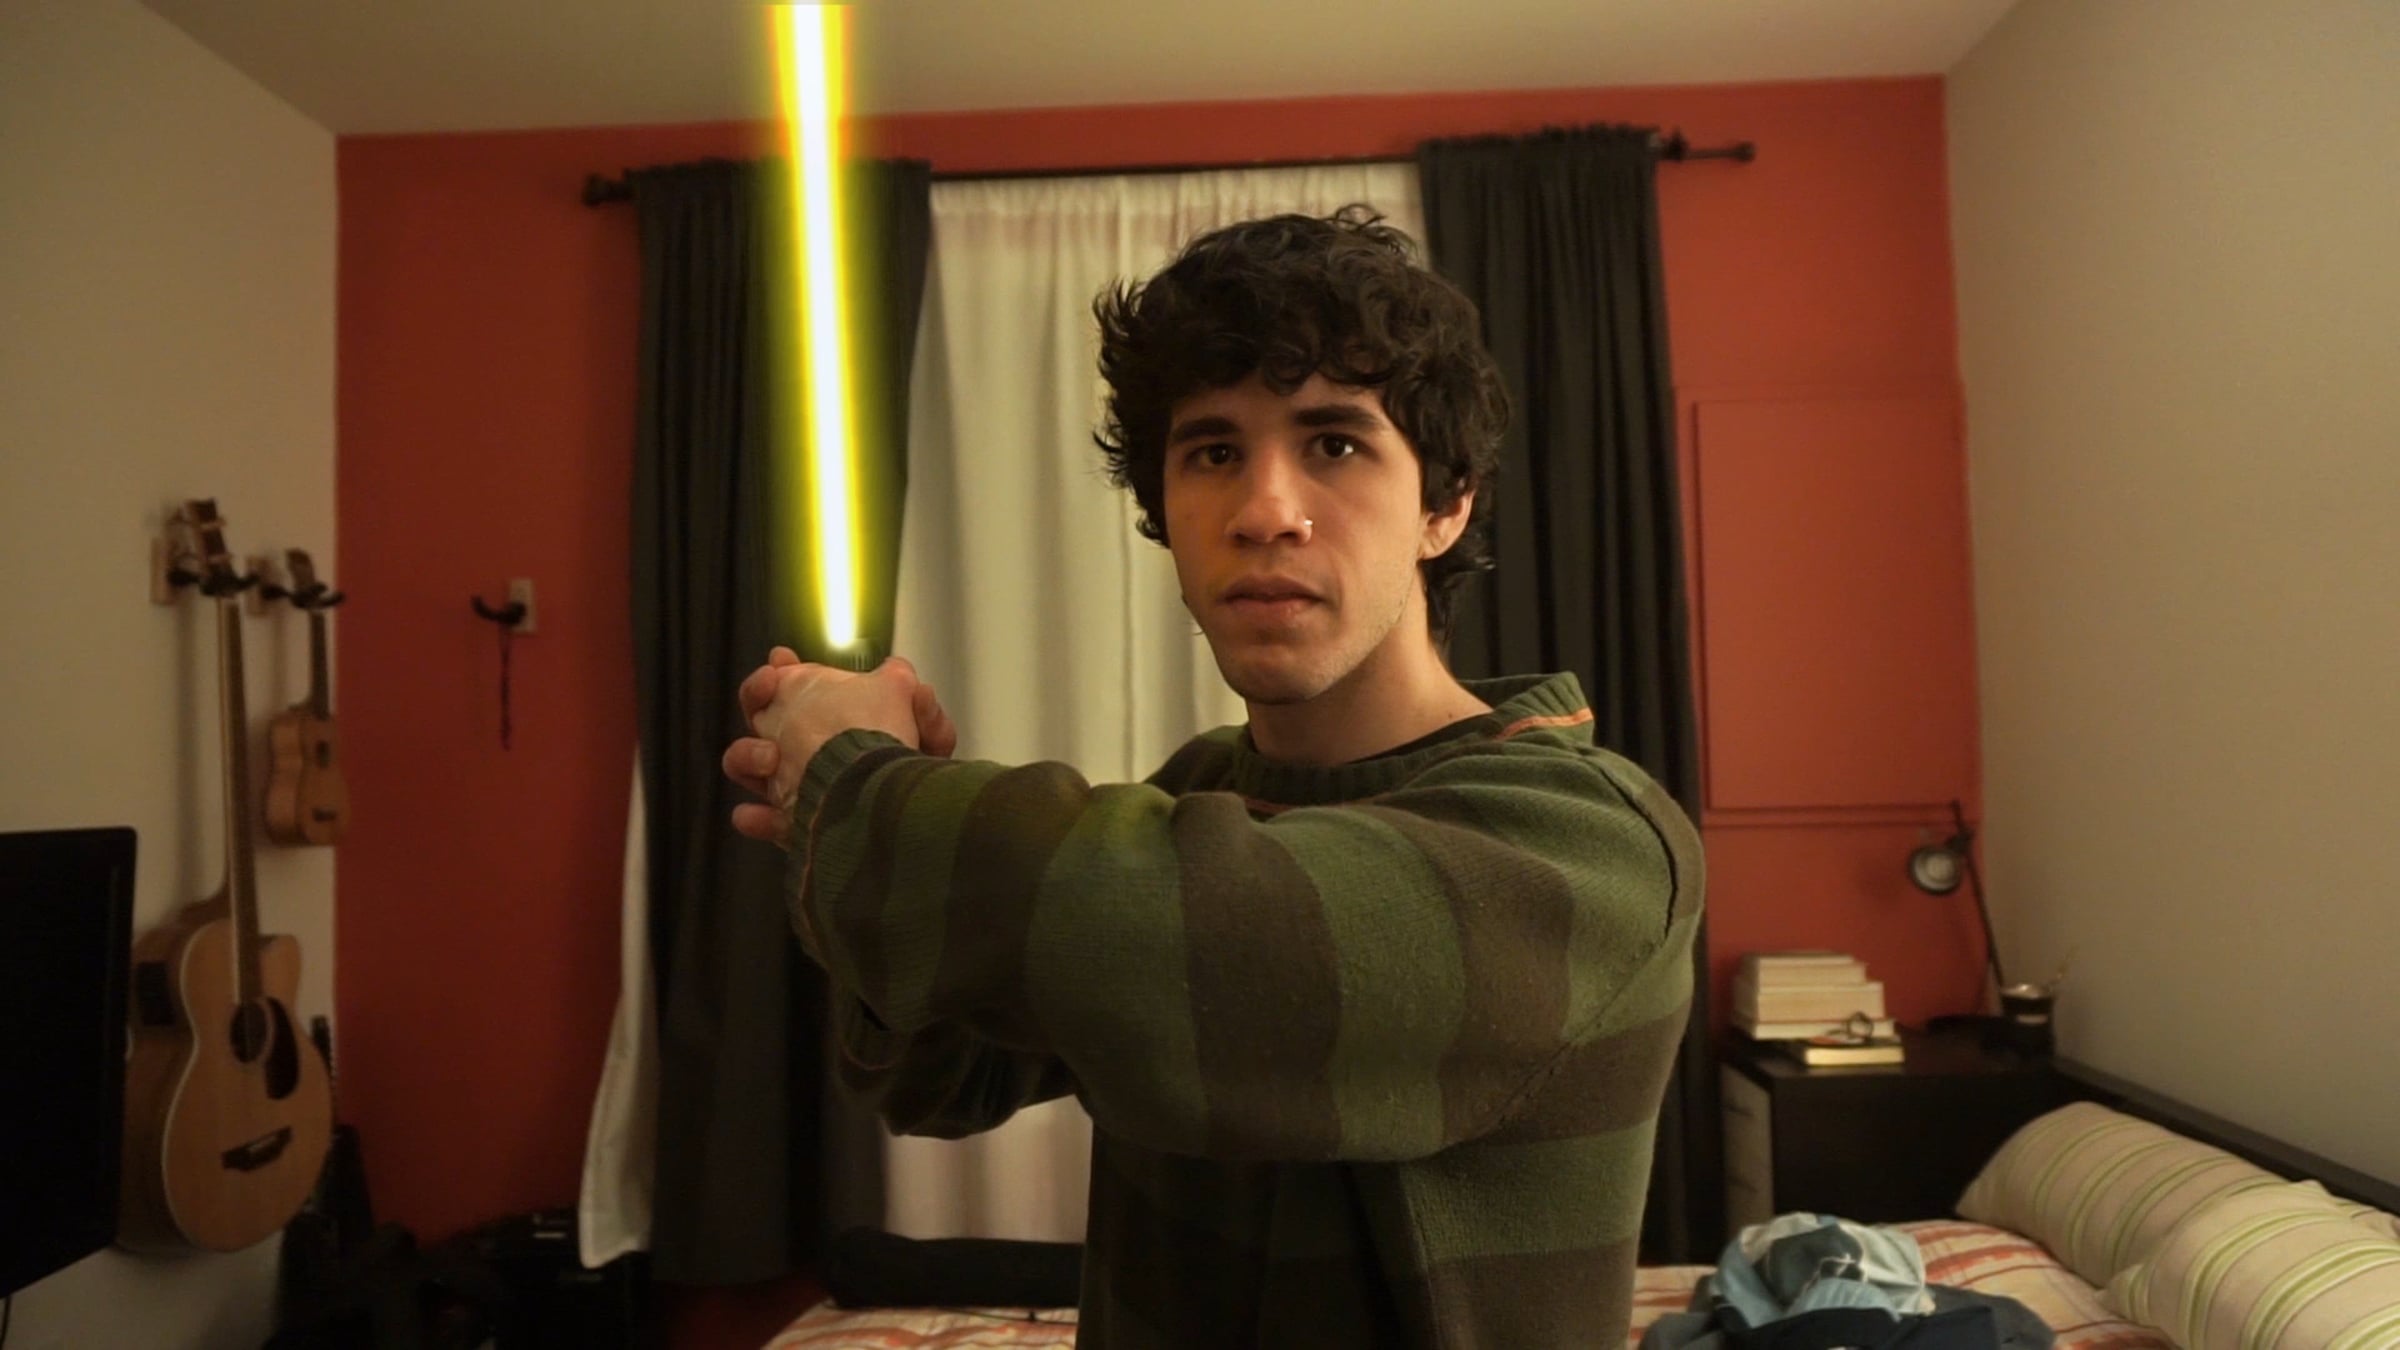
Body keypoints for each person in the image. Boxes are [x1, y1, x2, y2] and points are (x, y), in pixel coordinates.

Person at [719, 207, 1704, 1347]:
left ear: (1446, 506)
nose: (1264, 512)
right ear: (1163, 510)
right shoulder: (1203, 792)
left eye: (1335, 444)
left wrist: (863, 793)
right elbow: (940, 1080)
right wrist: (871, 838)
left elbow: (1205, 953)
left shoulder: (1591, 841)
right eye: (1214, 453)